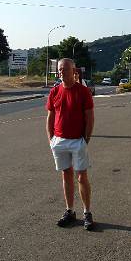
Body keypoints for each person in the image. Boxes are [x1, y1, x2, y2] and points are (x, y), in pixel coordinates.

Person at [46, 58, 95, 231]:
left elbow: (89, 117)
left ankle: (87, 213)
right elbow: (50, 116)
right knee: (66, 175)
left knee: (81, 176)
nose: (61, 72)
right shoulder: (54, 92)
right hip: (59, 141)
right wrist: (51, 139)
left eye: (65, 69)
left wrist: (86, 139)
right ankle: (70, 211)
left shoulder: (83, 91)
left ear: (74, 71)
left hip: (77, 141)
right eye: (60, 69)